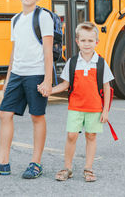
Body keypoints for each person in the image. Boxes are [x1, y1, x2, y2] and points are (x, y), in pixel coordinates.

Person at [0, 0, 54, 179]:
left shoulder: (43, 17)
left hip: (36, 74)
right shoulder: (15, 20)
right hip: (17, 74)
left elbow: (48, 51)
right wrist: (7, 78)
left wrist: (47, 80)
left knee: (37, 117)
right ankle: (2, 163)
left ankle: (35, 163)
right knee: (4, 114)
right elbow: (14, 51)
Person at [47, 22, 114, 182]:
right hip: (75, 107)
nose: (87, 44)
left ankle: (88, 168)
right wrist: (49, 90)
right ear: (77, 41)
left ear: (96, 42)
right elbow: (65, 84)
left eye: (90, 41)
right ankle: (67, 168)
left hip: (95, 108)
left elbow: (107, 89)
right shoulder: (72, 62)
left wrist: (105, 111)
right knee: (71, 136)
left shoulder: (101, 63)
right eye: (83, 40)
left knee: (91, 136)